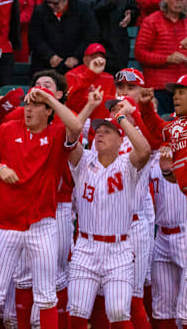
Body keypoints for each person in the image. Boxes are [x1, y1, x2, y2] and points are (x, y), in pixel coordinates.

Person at [0, 86, 83, 329]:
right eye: (27, 104)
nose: (29, 109)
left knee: (46, 294)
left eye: (36, 105)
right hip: (7, 224)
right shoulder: (8, 129)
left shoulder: (56, 133)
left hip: (42, 224)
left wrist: (48, 97)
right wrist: (0, 168)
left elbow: (75, 127)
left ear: (48, 111)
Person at [67, 94, 151, 329]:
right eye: (98, 131)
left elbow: (144, 150)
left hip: (119, 250)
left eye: (107, 131)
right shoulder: (83, 160)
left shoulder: (127, 163)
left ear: (119, 138)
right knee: (77, 311)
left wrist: (122, 118)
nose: (100, 134)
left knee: (118, 311)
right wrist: (90, 106)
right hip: (85, 247)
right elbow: (70, 136)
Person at [134, 0, 187, 116]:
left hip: (183, 86)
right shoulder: (152, 21)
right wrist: (167, 59)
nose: (179, 2)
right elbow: (140, 53)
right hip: (158, 86)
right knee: (160, 128)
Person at [148, 150, 187, 329]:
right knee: (161, 308)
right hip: (161, 236)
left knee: (184, 312)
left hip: (184, 233)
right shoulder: (152, 157)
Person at [28, 0, 99, 74]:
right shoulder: (40, 11)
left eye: (56, 3)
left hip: (75, 66)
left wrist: (76, 57)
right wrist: (49, 55)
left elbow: (91, 35)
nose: (51, 6)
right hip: (46, 66)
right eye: (49, 2)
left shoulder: (82, 8)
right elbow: (35, 38)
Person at [71, 0, 139, 75]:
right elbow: (90, 12)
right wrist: (110, 1)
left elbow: (132, 6)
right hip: (97, 47)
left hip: (118, 48)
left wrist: (130, 13)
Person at [138, 74, 187, 196]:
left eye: (181, 93)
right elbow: (156, 128)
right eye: (175, 93)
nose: (175, 97)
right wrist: (145, 106)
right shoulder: (177, 128)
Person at [65, 43, 116, 119]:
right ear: (84, 59)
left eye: (101, 57)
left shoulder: (109, 77)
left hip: (100, 120)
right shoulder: (72, 75)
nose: (98, 60)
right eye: (93, 57)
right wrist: (91, 74)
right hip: (76, 117)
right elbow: (70, 102)